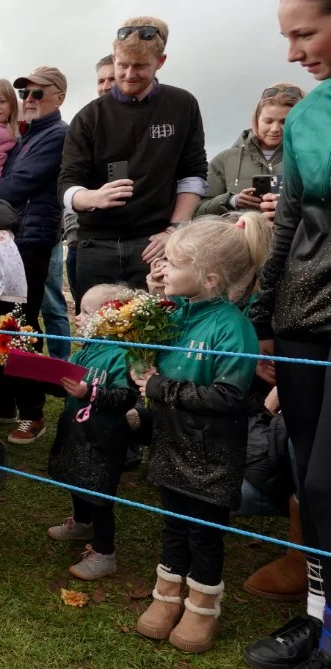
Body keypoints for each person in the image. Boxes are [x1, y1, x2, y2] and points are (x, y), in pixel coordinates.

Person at [132, 215, 270, 654]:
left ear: (209, 276)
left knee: (204, 532)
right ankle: (167, 595)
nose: (163, 270)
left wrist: (160, 388)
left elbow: (229, 395)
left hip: (211, 453)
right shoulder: (178, 316)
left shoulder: (233, 328)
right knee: (174, 523)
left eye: (173, 264)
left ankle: (203, 605)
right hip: (172, 442)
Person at [244, 2, 331, 667]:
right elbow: (290, 227)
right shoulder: (305, 117)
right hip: (305, 319)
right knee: (309, 474)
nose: (294, 53)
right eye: (288, 37)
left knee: (329, 477)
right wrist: (265, 321)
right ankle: (317, 617)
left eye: (305, 33)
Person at [58, 17, 208, 309]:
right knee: (95, 335)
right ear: (114, 58)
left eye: (140, 66)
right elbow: (67, 181)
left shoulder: (182, 105)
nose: (128, 74)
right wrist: (93, 197)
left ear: (160, 62)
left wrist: (174, 230)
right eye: (122, 64)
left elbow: (193, 174)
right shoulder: (89, 116)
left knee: (157, 330)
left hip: (154, 242)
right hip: (95, 242)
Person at [0, 66, 69, 443]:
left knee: (20, 325)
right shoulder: (24, 136)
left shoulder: (57, 135)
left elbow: (21, 183)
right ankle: (1, 399)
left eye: (37, 93)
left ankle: (33, 412)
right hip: (8, 239)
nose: (27, 100)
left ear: (59, 96)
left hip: (31, 239)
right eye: (24, 93)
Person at [47, 283, 138, 581]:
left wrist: (91, 392)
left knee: (99, 493)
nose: (78, 318)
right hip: (76, 431)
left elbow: (125, 397)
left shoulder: (121, 355)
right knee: (76, 477)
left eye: (86, 312)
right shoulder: (85, 352)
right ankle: (82, 523)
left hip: (103, 439)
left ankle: (104, 552)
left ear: (112, 318)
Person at [195, 84, 304, 219]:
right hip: (240, 238)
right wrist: (231, 201)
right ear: (257, 119)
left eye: (284, 122)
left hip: (294, 238)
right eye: (268, 121)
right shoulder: (225, 160)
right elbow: (197, 211)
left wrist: (292, 206)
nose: (275, 128)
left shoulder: (311, 159)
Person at [64, 56, 119, 305]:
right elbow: (68, 178)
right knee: (87, 310)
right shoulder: (85, 122)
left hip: (137, 236)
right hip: (85, 236)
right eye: (101, 80)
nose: (106, 85)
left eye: (112, 78)